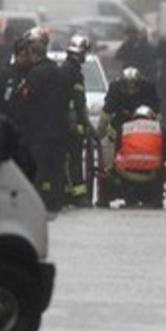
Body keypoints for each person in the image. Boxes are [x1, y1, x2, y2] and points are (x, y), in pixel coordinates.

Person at [7, 28, 72, 213]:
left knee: (39, 171)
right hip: (59, 132)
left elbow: (24, 99)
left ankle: (37, 204)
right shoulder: (59, 72)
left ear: (33, 55)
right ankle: (56, 203)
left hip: (40, 134)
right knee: (57, 172)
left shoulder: (35, 74)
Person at [96, 68, 160, 208]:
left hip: (144, 129)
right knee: (107, 146)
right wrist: (101, 128)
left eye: (134, 86)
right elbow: (107, 111)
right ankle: (109, 174)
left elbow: (157, 111)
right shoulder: (115, 90)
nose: (131, 90)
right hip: (118, 128)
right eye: (127, 86)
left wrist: (159, 129)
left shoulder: (148, 89)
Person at [60, 33, 94, 208]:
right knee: (73, 159)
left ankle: (69, 193)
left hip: (73, 124)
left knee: (73, 159)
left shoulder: (70, 69)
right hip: (70, 126)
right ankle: (77, 195)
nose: (85, 58)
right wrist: (79, 123)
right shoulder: (70, 71)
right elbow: (73, 101)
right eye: (84, 54)